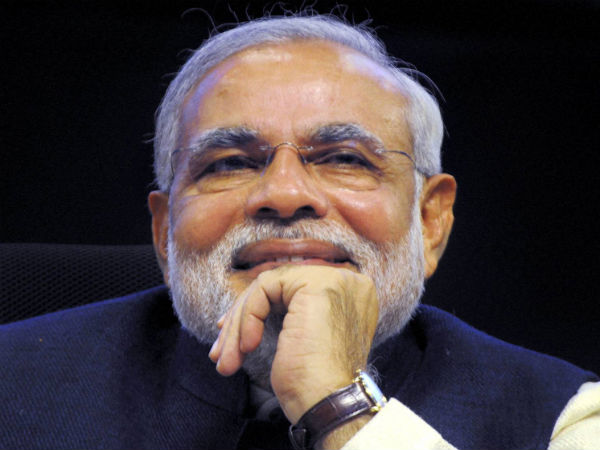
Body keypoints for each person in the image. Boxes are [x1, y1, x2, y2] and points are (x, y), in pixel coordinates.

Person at [1, 14, 598, 450]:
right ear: (164, 233)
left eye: (344, 158)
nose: (285, 195)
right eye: (229, 163)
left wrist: (340, 405)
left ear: (430, 221)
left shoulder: (566, 417)